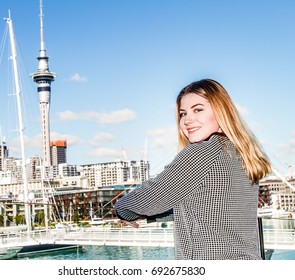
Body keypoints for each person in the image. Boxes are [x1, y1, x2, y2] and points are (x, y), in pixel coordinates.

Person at [115, 78, 272, 260]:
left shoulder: (201, 153)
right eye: (183, 114)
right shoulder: (242, 154)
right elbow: (205, 209)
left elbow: (146, 198)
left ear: (222, 112)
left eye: (198, 110)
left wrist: (122, 210)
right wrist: (147, 215)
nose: (187, 120)